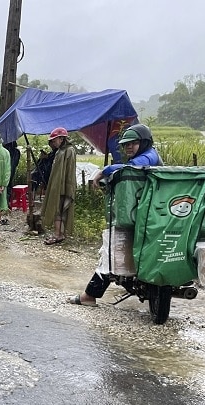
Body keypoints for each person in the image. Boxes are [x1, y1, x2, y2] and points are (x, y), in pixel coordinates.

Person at [68, 123, 163, 307]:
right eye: (126, 144)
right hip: (150, 216)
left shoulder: (148, 157)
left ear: (144, 142)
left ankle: (89, 295)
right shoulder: (148, 156)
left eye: (133, 143)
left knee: (112, 252)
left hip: (142, 218)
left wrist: (103, 171)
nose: (128, 147)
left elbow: (131, 168)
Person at [41, 127, 77, 245]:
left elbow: (69, 171)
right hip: (57, 184)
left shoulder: (69, 150)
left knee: (60, 210)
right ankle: (59, 234)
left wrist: (67, 187)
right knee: (57, 210)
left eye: (54, 140)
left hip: (64, 185)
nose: (53, 142)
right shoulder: (59, 151)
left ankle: (58, 234)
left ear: (61, 139)